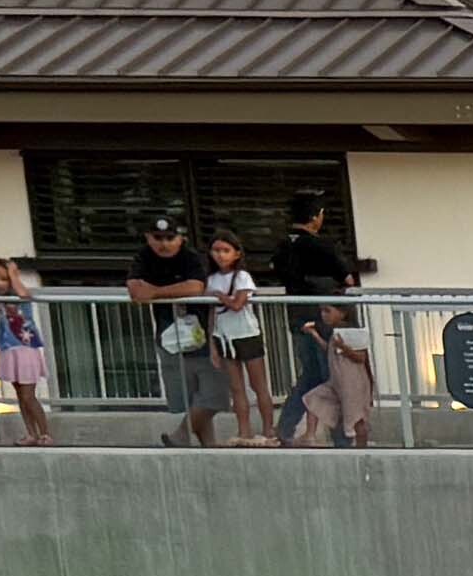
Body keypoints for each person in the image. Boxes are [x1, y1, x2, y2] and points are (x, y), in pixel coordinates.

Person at [124, 211, 220, 445]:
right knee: (190, 396)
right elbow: (136, 290)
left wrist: (156, 291)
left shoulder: (191, 257)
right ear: (148, 237)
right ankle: (211, 448)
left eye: (169, 238)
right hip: (170, 338)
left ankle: (182, 434)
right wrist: (175, 289)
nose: (164, 244)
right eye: (158, 238)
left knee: (214, 393)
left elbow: (196, 287)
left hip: (203, 336)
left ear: (180, 238)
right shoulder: (143, 257)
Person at [271, 187, 360, 437]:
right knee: (335, 375)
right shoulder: (320, 246)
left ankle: (285, 429)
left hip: (298, 318)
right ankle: (342, 435)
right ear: (315, 216)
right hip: (326, 319)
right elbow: (348, 279)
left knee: (310, 376)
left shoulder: (282, 248)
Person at [299, 256, 386, 446]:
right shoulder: (334, 333)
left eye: (328, 311)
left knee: (356, 418)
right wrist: (314, 334)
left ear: (342, 312)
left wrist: (344, 348)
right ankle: (309, 435)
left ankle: (362, 446)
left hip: (353, 384)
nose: (324, 315)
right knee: (313, 398)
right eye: (322, 311)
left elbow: (360, 357)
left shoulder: (352, 331)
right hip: (336, 382)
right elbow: (329, 351)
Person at [200, 230, 275, 442]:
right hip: (223, 337)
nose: (221, 255)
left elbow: (237, 304)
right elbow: (212, 315)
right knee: (236, 388)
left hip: (247, 334)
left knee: (258, 384)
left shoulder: (242, 277)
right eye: (216, 250)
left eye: (226, 250)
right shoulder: (211, 279)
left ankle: (269, 428)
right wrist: (213, 346)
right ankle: (244, 430)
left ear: (237, 254)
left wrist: (219, 296)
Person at [0, 260, 57, 447]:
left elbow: (24, 295)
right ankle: (31, 433)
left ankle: (45, 433)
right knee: (20, 395)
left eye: (3, 279)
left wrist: (14, 276)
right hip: (8, 348)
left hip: (26, 347)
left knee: (29, 395)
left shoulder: (17, 290)